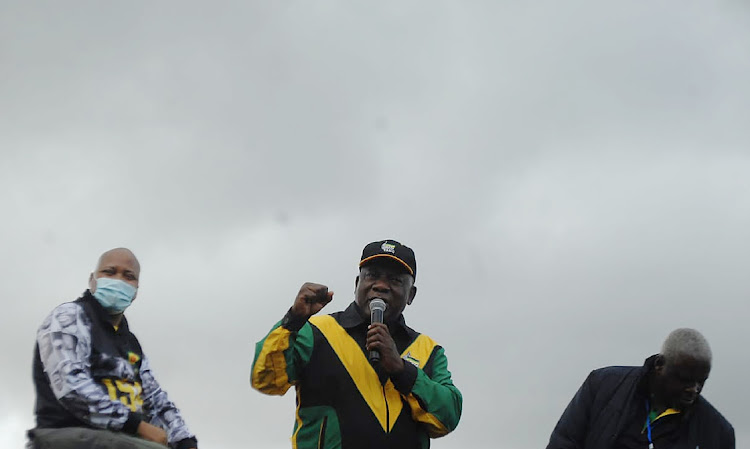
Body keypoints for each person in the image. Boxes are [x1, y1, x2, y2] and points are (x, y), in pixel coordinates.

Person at [251, 239, 462, 449]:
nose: (380, 285)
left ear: (411, 295)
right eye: (372, 275)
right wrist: (293, 320)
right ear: (356, 284)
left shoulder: (427, 350)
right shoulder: (315, 331)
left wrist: (402, 370)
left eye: (395, 280)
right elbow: (266, 380)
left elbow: (447, 419)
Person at [29, 248, 198, 449]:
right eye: (109, 272)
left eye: (128, 276)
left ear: (135, 291)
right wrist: (137, 425)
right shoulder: (69, 318)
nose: (118, 280)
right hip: (72, 435)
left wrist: (184, 440)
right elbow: (70, 385)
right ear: (92, 280)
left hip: (122, 438)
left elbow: (154, 398)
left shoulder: (130, 342)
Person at [546, 328, 734, 449]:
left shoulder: (717, 433)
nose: (693, 389)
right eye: (684, 379)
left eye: (701, 382)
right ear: (660, 365)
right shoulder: (602, 385)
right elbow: (563, 443)